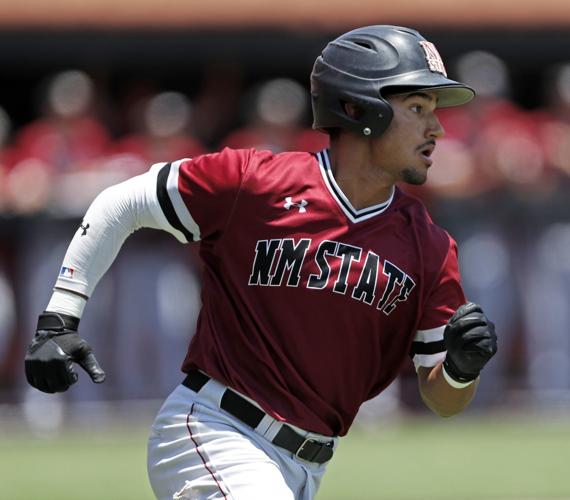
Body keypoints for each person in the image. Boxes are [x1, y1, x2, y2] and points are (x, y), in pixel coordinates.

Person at [24, 25, 497, 500]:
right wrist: (60, 316)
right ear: (357, 109)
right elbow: (122, 202)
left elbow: (443, 399)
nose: (437, 129)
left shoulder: (430, 245)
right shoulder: (255, 181)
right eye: (417, 108)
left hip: (306, 465)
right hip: (215, 429)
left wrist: (460, 368)